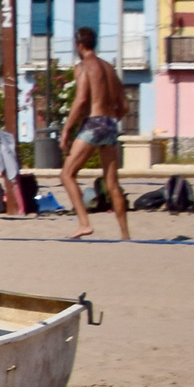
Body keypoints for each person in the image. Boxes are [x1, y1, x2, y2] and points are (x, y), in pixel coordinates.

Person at [59, 26, 130, 240]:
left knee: (67, 174)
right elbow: (124, 105)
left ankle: (84, 223)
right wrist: (112, 118)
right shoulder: (109, 68)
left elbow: (81, 100)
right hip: (110, 124)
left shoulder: (83, 67)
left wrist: (66, 130)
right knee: (112, 184)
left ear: (79, 45)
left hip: (94, 123)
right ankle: (126, 235)